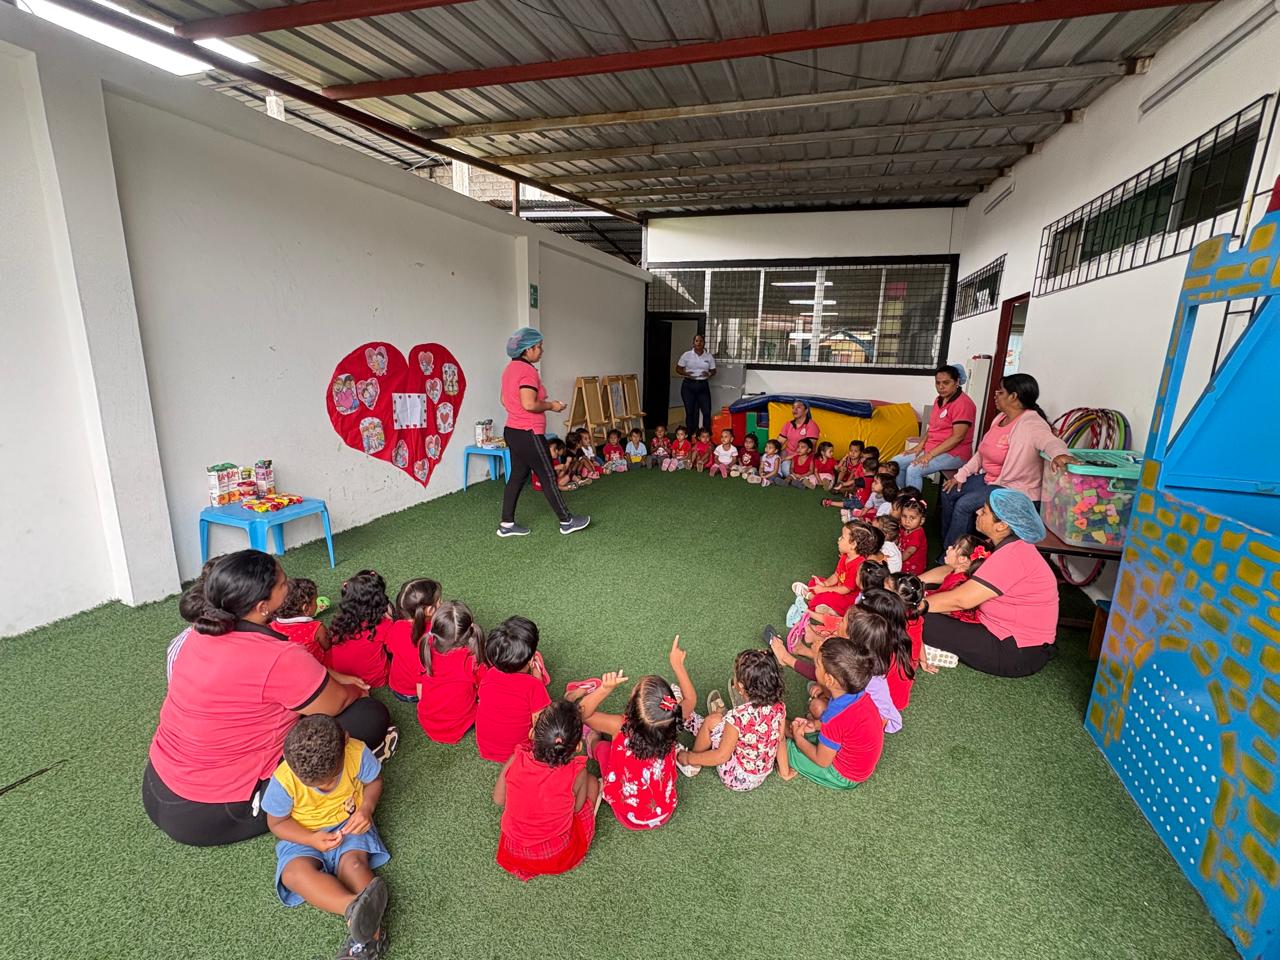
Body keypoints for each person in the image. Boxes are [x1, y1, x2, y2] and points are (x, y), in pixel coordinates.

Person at [144, 549, 392, 847]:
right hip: (213, 812)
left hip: (157, 785)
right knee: (369, 714)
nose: (289, 586)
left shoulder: (196, 635)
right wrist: (357, 691)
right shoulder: (278, 657)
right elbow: (336, 702)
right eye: (283, 584)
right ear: (262, 606)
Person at [262, 715, 390, 959]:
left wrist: (366, 808)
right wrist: (310, 839)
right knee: (293, 874)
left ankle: (370, 937)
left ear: (346, 740)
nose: (327, 787)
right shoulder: (284, 780)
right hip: (303, 835)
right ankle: (352, 908)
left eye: (332, 779)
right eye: (315, 785)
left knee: (354, 865)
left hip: (349, 826)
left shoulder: (356, 752)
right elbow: (277, 823)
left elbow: (374, 782)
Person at [922, 488, 1060, 677]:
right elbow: (957, 569)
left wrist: (908, 605)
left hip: (1015, 652)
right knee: (923, 592)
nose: (978, 511)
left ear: (1001, 526)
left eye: (985, 511)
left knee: (913, 616)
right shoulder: (1002, 545)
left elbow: (961, 600)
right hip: (997, 631)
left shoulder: (1013, 555)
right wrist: (915, 581)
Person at [572, 637, 695, 831]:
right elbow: (690, 699)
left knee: (603, 747)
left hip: (628, 817)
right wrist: (678, 666)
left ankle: (592, 742)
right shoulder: (673, 720)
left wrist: (604, 689)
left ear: (632, 707)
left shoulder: (620, 725)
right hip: (664, 812)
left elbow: (582, 714)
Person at [939, 372, 1071, 550]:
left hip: (1012, 486)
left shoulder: (1032, 424)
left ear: (1013, 396)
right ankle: (950, 544)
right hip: (991, 479)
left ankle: (958, 553)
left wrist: (1059, 454)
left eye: (1000, 392)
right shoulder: (1000, 418)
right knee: (949, 491)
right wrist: (961, 475)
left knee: (964, 505)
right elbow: (982, 453)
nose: (996, 395)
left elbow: (1050, 442)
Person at [497, 326, 590, 538]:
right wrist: (552, 406)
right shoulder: (527, 371)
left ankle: (507, 524)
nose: (541, 351)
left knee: (517, 476)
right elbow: (529, 404)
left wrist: (518, 411)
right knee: (548, 475)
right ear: (527, 349)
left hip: (513, 430)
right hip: (528, 432)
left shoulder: (509, 369)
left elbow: (504, 399)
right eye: (538, 347)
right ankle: (566, 521)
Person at [493, 699, 599, 882]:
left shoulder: (516, 759)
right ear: (578, 747)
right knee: (593, 782)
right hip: (557, 856)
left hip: (514, 853)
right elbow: (576, 807)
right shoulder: (577, 772)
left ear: (532, 733)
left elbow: (498, 799)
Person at [675, 649, 791, 790]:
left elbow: (721, 756)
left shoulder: (737, 716)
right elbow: (780, 739)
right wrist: (785, 772)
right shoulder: (779, 706)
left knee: (713, 721)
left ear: (741, 687)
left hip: (736, 777)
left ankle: (692, 765)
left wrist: (688, 757)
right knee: (727, 724)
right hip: (760, 775)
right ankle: (692, 720)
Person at [781, 635, 885, 789]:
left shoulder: (835, 717)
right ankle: (784, 726)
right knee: (801, 732)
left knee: (785, 748)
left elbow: (822, 760)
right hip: (853, 758)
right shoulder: (859, 695)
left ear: (829, 680)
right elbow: (846, 729)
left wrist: (799, 739)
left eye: (817, 665)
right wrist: (816, 725)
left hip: (842, 775)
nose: (815, 667)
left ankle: (777, 725)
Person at [475, 616, 552, 763]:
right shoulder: (533, 686)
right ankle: (540, 672)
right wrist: (537, 681)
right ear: (530, 660)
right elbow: (541, 727)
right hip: (520, 753)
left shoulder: (489, 675)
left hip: (486, 748)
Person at [893, 364, 979, 490]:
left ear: (957, 382)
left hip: (954, 454)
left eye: (946, 383)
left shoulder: (963, 404)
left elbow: (958, 437)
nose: (941, 387)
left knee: (914, 469)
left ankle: (912, 502)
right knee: (896, 463)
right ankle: (902, 497)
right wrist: (919, 446)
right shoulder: (939, 399)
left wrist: (929, 455)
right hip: (933, 448)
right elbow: (933, 427)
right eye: (938, 383)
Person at [417, 601, 486, 744]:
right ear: (470, 631)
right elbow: (484, 688)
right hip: (458, 726)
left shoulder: (426, 649)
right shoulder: (472, 661)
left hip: (427, 720)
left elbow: (420, 687)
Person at [796, 520, 880, 617]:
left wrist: (823, 589)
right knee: (814, 582)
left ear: (853, 545)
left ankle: (813, 598)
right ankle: (823, 604)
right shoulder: (845, 555)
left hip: (847, 597)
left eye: (842, 537)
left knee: (826, 597)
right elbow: (837, 574)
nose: (839, 539)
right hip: (839, 587)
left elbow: (845, 589)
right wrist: (825, 584)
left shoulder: (858, 564)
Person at [326, 570, 394, 690]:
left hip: (340, 676)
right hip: (372, 679)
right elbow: (393, 648)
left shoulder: (339, 621)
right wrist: (392, 619)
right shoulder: (383, 625)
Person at [383, 578, 441, 703]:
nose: (442, 604)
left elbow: (389, 648)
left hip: (396, 686)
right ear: (430, 610)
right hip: (413, 692)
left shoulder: (397, 626)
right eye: (440, 602)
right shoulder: (433, 636)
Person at [271, 578, 330, 664]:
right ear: (306, 608)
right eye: (315, 601)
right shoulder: (317, 628)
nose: (317, 604)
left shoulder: (271, 626)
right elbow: (327, 646)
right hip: (317, 666)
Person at [676, 333, 716, 434]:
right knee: (690, 412)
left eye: (701, 341)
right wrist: (686, 374)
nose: (699, 343)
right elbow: (678, 369)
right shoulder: (686, 355)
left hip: (703, 386)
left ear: (704, 343)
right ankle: (690, 435)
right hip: (688, 386)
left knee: (706, 412)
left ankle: (706, 435)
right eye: (697, 341)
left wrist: (709, 374)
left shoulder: (709, 356)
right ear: (693, 343)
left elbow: (714, 370)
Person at [776, 400, 821, 478]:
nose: (795, 410)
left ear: (806, 411)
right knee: (767, 458)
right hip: (787, 454)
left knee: (785, 468)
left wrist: (786, 458)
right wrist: (772, 452)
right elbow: (779, 443)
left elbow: (808, 450)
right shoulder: (788, 424)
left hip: (802, 458)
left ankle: (791, 477)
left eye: (798, 407)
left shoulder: (812, 426)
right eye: (793, 407)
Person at [897, 499, 928, 576]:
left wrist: (897, 560)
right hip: (903, 560)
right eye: (904, 516)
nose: (907, 521)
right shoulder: (904, 528)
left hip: (913, 567)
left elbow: (909, 551)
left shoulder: (918, 534)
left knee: (908, 580)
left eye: (912, 518)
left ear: (922, 521)